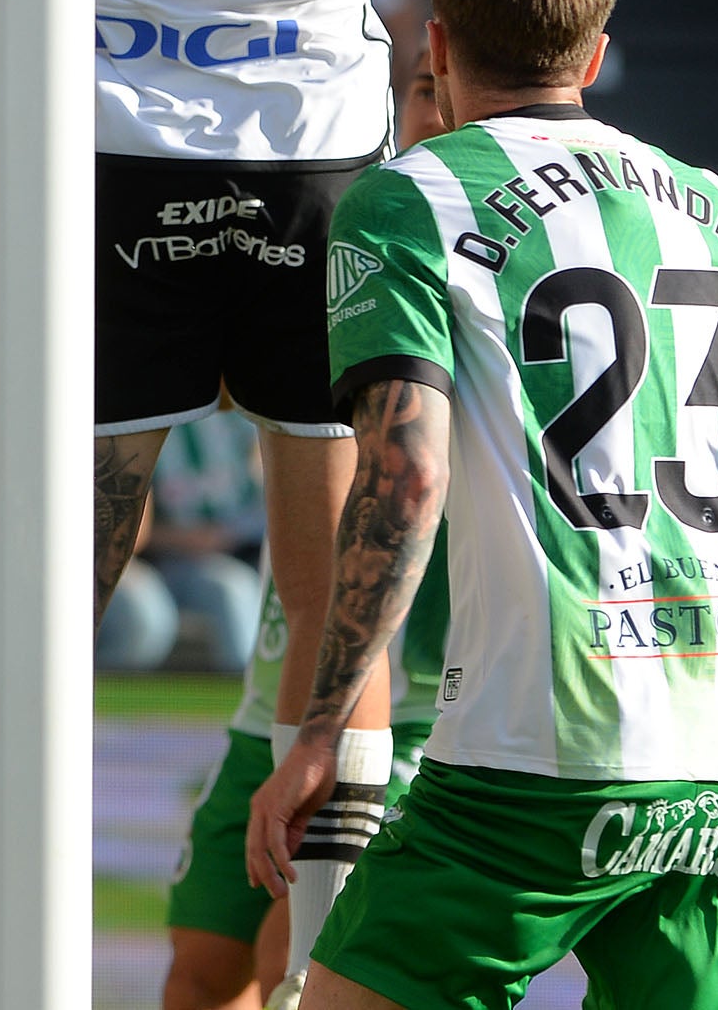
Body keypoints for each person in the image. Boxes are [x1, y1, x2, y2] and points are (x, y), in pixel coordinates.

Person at [245, 0, 718, 1010]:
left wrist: (324, 724)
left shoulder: (410, 197)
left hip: (537, 746)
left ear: (435, 42)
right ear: (596, 52)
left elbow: (406, 475)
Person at [94, 0, 480, 990]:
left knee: (76, 538)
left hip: (103, 151)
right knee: (329, 597)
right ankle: (318, 924)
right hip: (311, 159)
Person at [159, 68, 456, 1010]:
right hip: (271, 697)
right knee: (201, 971)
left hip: (393, 706)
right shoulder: (341, 233)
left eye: (446, 94)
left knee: (305, 971)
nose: (433, 112)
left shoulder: (477, 259)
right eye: (419, 91)